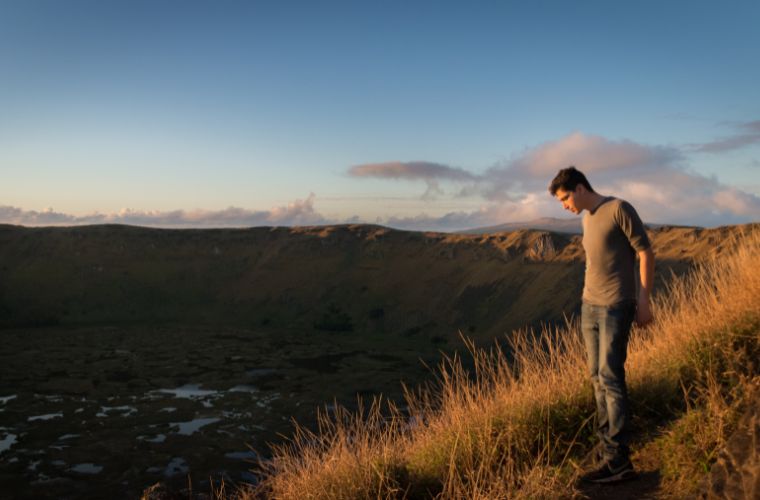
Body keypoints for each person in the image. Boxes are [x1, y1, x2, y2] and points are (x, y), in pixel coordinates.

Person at [548, 166, 655, 483]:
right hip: (590, 306)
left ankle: (619, 461)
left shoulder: (618, 208)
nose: (565, 205)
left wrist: (644, 300)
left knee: (610, 377)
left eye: (565, 198)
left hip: (616, 306)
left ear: (580, 188)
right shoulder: (586, 218)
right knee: (596, 377)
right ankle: (606, 445)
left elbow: (646, 252)